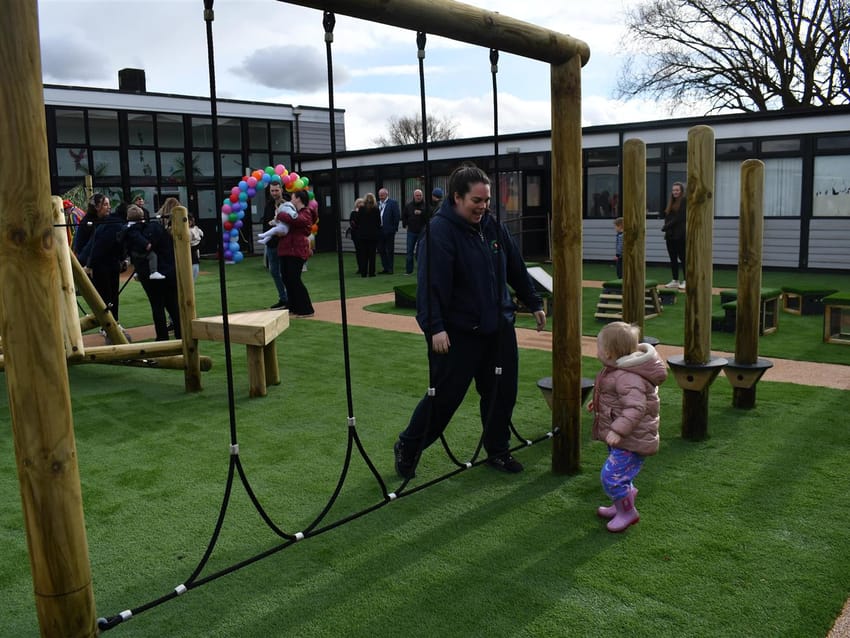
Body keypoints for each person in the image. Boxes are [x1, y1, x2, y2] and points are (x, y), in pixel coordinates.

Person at [393, 164, 547, 479]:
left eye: (487, 200)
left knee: (502, 392)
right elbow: (430, 285)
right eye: (477, 200)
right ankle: (409, 445)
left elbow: (515, 266)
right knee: (445, 398)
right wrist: (435, 326)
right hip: (459, 333)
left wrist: (533, 301)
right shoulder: (439, 232)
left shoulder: (492, 226)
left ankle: (498, 450)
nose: (483, 206)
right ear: (457, 198)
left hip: (498, 327)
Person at [587, 321, 667, 533]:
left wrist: (617, 429)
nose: (596, 352)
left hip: (632, 438)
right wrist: (599, 404)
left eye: (598, 347)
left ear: (609, 352)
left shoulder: (627, 376)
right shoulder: (617, 369)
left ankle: (628, 512)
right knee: (619, 474)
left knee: (611, 476)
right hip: (624, 437)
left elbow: (635, 407)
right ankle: (623, 501)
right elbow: (616, 398)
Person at [119, 204, 182, 341]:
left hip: (149, 275)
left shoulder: (129, 232)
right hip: (168, 271)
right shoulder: (156, 227)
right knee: (173, 305)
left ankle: (162, 337)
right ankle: (180, 334)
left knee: (157, 306)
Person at [76, 193, 128, 332]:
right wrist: (88, 265)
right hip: (95, 266)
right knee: (103, 296)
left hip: (111, 262)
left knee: (113, 295)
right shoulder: (87, 223)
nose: (109, 207)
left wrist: (122, 258)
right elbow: (81, 247)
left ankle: (114, 321)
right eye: (105, 204)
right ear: (96, 206)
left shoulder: (109, 221)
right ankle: (106, 325)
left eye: (108, 204)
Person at [277, 190, 316, 317]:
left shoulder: (306, 212)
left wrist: (280, 214)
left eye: (293, 197)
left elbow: (298, 221)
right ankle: (294, 306)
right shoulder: (295, 212)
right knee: (287, 279)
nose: (291, 200)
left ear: (298, 199)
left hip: (297, 250)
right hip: (287, 249)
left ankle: (306, 309)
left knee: (294, 279)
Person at [262, 183, 289, 309]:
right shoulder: (268, 204)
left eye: (276, 190)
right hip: (271, 243)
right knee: (274, 271)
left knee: (285, 272)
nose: (274, 193)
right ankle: (283, 298)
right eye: (272, 191)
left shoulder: (287, 203)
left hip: (284, 242)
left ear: (281, 190)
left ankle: (289, 298)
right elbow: (266, 222)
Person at [122, 206, 166, 280]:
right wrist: (146, 244)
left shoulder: (127, 226)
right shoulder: (135, 228)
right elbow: (137, 237)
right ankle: (153, 272)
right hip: (139, 249)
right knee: (153, 256)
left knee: (138, 261)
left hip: (132, 251)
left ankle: (138, 272)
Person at [662, 181, 687, 289]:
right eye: (673, 190)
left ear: (681, 191)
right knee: (672, 258)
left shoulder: (684, 201)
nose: (675, 192)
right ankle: (675, 280)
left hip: (680, 234)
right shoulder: (671, 202)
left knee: (683, 257)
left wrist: (666, 226)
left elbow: (680, 218)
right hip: (670, 235)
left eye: (677, 190)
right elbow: (668, 217)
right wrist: (667, 228)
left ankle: (686, 280)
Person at [353, 193, 381, 277]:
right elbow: (378, 223)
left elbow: (357, 222)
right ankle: (372, 272)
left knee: (363, 255)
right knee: (372, 255)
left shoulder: (361, 209)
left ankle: (363, 272)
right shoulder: (376, 209)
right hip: (373, 235)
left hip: (362, 235)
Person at [401, 189, 428, 275]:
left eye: (420, 195)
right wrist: (405, 225)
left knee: (421, 252)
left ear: (422, 196)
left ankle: (422, 270)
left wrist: (421, 213)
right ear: (414, 196)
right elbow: (404, 216)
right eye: (417, 195)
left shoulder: (426, 206)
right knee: (409, 252)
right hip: (411, 232)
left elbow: (430, 216)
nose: (418, 197)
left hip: (422, 232)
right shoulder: (408, 206)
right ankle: (409, 271)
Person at [377, 187, 400, 274]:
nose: (381, 197)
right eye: (379, 195)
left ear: (387, 194)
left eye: (382, 195)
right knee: (381, 249)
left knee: (389, 250)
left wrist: (394, 228)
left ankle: (390, 268)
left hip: (389, 231)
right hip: (379, 231)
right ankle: (385, 267)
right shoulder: (377, 203)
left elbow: (396, 216)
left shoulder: (393, 203)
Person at [347, 197, 364, 274]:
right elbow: (352, 223)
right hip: (356, 235)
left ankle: (364, 267)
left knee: (364, 251)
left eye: (362, 203)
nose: (360, 204)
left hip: (364, 234)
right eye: (359, 203)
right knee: (358, 251)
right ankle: (360, 267)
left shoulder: (365, 213)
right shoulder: (353, 213)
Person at [188, 214, 204, 282]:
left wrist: (198, 245)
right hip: (187, 253)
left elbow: (202, 238)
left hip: (194, 254)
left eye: (190, 220)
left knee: (194, 275)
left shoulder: (196, 229)